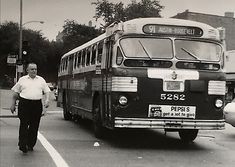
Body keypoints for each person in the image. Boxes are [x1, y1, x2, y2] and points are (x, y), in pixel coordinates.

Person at [10, 62, 50, 153]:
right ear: (27, 70)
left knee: (34, 126)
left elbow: (47, 91)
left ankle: (30, 144)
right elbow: (15, 93)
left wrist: (47, 100)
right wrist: (12, 104)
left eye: (35, 69)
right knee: (24, 124)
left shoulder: (41, 80)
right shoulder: (22, 80)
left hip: (36, 105)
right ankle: (22, 144)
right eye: (32, 69)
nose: (34, 71)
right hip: (24, 104)